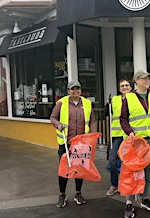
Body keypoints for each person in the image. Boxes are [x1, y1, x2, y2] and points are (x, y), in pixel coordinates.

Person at [120, 70, 150, 218]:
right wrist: (130, 132)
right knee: (133, 171)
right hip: (136, 141)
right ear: (136, 81)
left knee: (147, 172)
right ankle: (129, 203)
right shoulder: (128, 98)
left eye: (148, 78)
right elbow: (123, 119)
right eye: (143, 79)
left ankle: (144, 198)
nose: (146, 81)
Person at [50, 80, 97, 208]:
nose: (75, 91)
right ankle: (62, 194)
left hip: (81, 143)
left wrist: (93, 135)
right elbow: (53, 117)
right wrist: (59, 125)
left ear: (81, 90)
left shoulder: (87, 103)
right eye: (72, 89)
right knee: (64, 170)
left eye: (78, 89)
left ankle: (78, 193)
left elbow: (92, 120)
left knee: (79, 170)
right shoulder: (62, 103)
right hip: (66, 142)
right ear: (68, 91)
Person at [105, 78, 132, 196]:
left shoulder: (135, 99)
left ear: (131, 87)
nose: (125, 87)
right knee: (112, 161)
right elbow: (108, 114)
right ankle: (114, 185)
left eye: (127, 85)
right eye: (122, 86)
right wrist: (108, 105)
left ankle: (128, 185)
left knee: (129, 162)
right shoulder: (115, 99)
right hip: (116, 135)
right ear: (119, 88)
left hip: (129, 135)